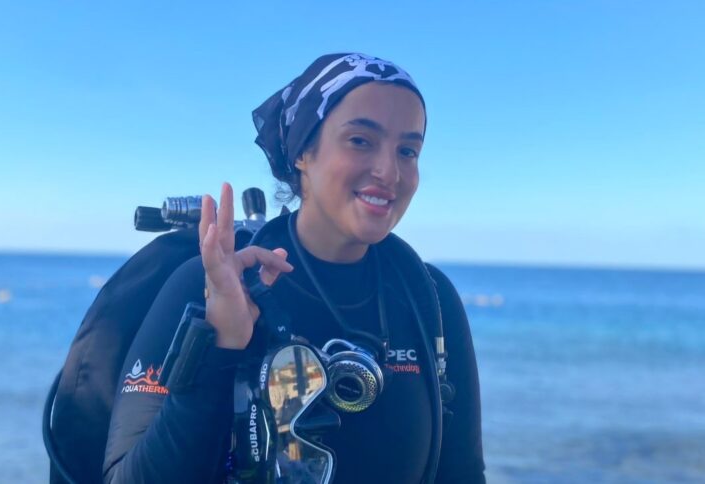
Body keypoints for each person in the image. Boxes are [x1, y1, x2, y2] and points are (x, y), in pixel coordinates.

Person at [102, 53, 486, 484]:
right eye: (361, 140)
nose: (389, 171)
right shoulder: (209, 285)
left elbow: (463, 473)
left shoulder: (428, 297)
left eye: (408, 151)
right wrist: (220, 344)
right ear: (304, 151)